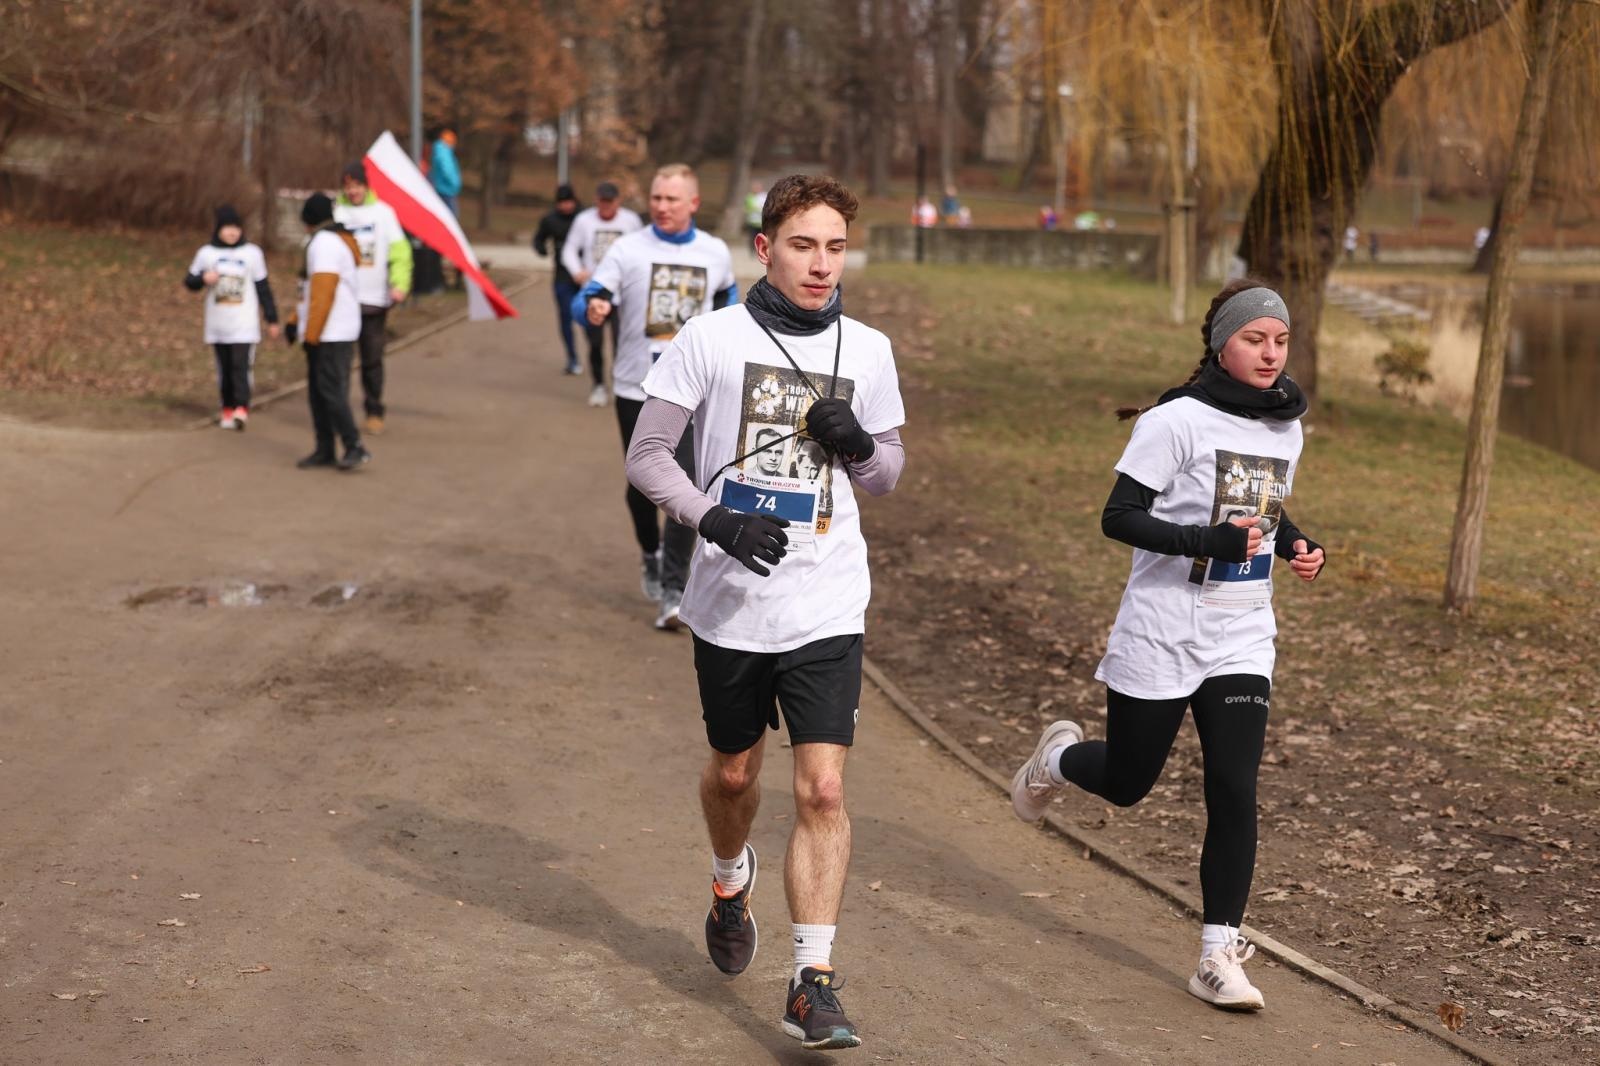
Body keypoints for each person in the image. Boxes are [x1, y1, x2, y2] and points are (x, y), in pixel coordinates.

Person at [624, 173, 906, 1051]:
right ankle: (726, 876)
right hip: (729, 597)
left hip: (827, 596)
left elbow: (888, 472)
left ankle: (811, 980)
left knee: (822, 787)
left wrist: (859, 444)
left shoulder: (867, 349)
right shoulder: (710, 339)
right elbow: (648, 454)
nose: (822, 264)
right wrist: (716, 519)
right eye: (802, 245)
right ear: (764, 248)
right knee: (736, 777)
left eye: (834, 247)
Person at [1008, 279, 1325, 1013]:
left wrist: (1297, 543)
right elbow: (1119, 517)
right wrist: (1201, 541)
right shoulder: (1176, 421)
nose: (1271, 353)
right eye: (1255, 339)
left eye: (1280, 340)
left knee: (1235, 788)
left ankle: (1218, 954)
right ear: (1223, 343)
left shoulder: (1287, 424)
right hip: (1161, 627)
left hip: (1242, 630)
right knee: (1127, 780)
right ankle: (1055, 760)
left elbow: (1261, 505)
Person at [571, 163, 736, 629]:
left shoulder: (715, 251)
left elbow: (729, 303)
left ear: (693, 204)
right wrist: (594, 307)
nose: (662, 207)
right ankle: (650, 550)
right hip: (635, 384)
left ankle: (673, 589)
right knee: (642, 482)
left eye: (672, 199)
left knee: (684, 481)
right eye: (657, 198)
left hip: (693, 388)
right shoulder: (628, 249)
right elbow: (586, 298)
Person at [286, 193, 370, 471]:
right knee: (319, 393)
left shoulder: (324, 245)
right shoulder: (331, 241)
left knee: (330, 391)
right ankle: (325, 448)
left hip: (331, 331)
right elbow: (309, 291)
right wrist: (294, 320)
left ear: (308, 220)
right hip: (331, 329)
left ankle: (354, 445)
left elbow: (322, 294)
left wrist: (311, 335)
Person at [335, 161, 413, 436]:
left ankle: (374, 410)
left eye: (357, 185)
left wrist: (399, 283)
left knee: (371, 359)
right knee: (340, 360)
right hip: (342, 300)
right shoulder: (337, 213)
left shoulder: (383, 214)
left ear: (366, 186)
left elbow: (400, 252)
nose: (353, 191)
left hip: (373, 299)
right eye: (348, 186)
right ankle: (338, 412)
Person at [184, 204, 279, 430]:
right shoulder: (206, 253)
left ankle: (241, 408)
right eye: (227, 228)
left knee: (240, 365)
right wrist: (203, 279)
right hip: (218, 323)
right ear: (218, 229)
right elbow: (189, 281)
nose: (232, 233)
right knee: (224, 368)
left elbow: (263, 287)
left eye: (236, 228)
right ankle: (226, 407)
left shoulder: (252, 253)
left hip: (244, 323)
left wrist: (272, 318)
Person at [560, 181, 644, 405]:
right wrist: (577, 271)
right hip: (596, 292)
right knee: (595, 343)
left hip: (622, 295)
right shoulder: (584, 220)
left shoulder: (630, 221)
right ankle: (598, 385)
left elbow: (643, 250)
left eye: (610, 201)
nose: (605, 205)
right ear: (596, 199)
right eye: (602, 200)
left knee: (622, 343)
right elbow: (569, 249)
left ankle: (620, 385)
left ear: (618, 201)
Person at [534, 184, 584, 376]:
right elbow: (538, 239)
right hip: (562, 276)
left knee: (589, 320)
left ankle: (594, 355)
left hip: (583, 275)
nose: (565, 206)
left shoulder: (584, 218)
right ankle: (572, 357)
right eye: (561, 203)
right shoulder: (550, 219)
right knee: (565, 317)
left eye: (568, 202)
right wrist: (541, 249)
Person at [429, 126, 462, 217]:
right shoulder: (444, 152)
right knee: (451, 219)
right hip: (446, 190)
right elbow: (447, 170)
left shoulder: (441, 151)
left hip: (444, 190)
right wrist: (454, 183)